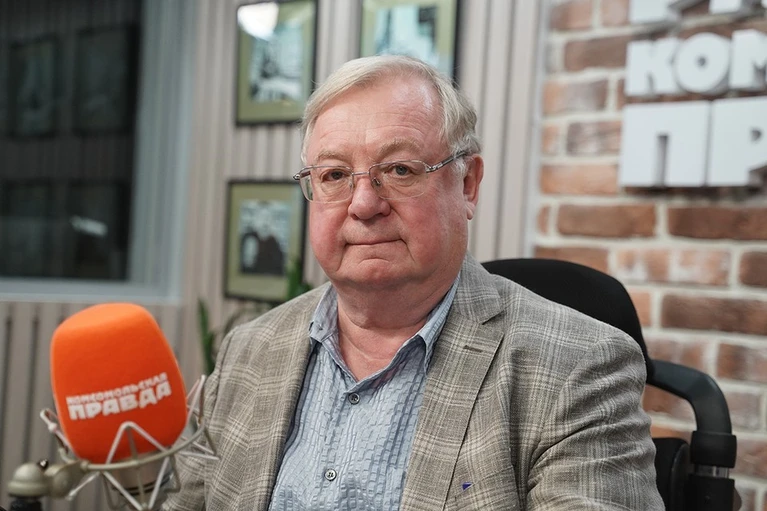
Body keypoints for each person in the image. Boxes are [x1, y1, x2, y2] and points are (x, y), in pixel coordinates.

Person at [164, 55, 663, 510]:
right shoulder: (247, 353)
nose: (364, 204)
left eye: (400, 170)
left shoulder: (579, 368)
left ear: (467, 185)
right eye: (334, 175)